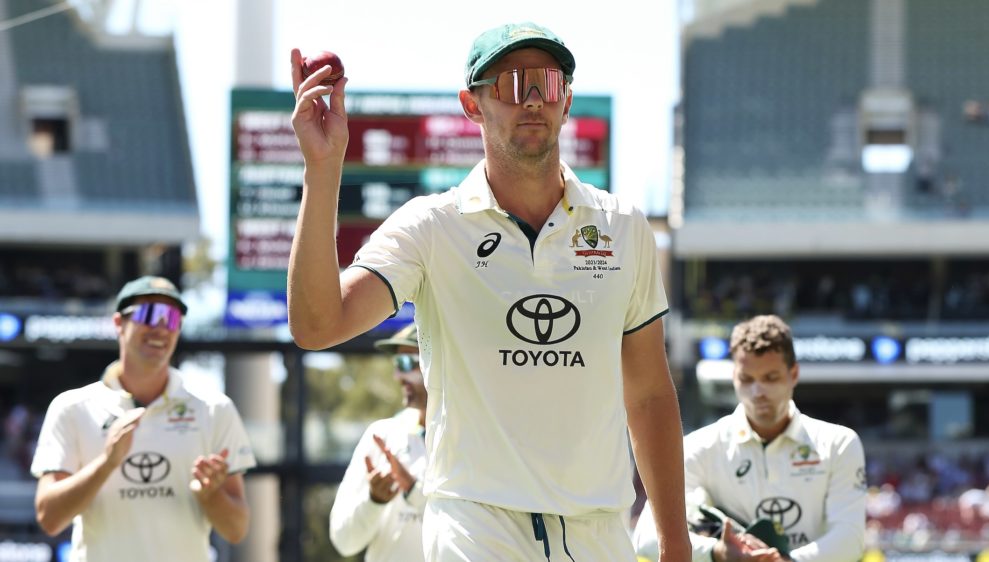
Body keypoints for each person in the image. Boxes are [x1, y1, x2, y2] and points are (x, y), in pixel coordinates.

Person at [289, 21, 690, 562]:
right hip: (476, 527)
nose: (530, 99)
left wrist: (675, 539)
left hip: (600, 531)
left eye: (546, 83)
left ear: (566, 102)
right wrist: (322, 169)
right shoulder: (430, 226)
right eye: (508, 83)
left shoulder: (624, 226)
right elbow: (317, 324)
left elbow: (647, 395)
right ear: (471, 105)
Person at [30, 276, 256, 561]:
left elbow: (236, 529)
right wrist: (107, 464)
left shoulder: (214, 409)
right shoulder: (72, 407)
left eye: (172, 318)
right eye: (149, 314)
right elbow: (49, 518)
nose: (161, 327)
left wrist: (211, 495)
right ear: (118, 324)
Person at [633, 315, 866, 562]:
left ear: (794, 374)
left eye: (770, 378)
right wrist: (717, 552)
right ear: (734, 376)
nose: (758, 392)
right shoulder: (698, 447)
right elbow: (646, 536)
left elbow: (850, 539)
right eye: (747, 379)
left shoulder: (839, 443)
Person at [329, 322, 428, 561]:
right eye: (397, 364)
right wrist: (374, 501)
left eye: (408, 364)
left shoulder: (470, 438)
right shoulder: (382, 435)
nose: (398, 376)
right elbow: (344, 541)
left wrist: (413, 491)